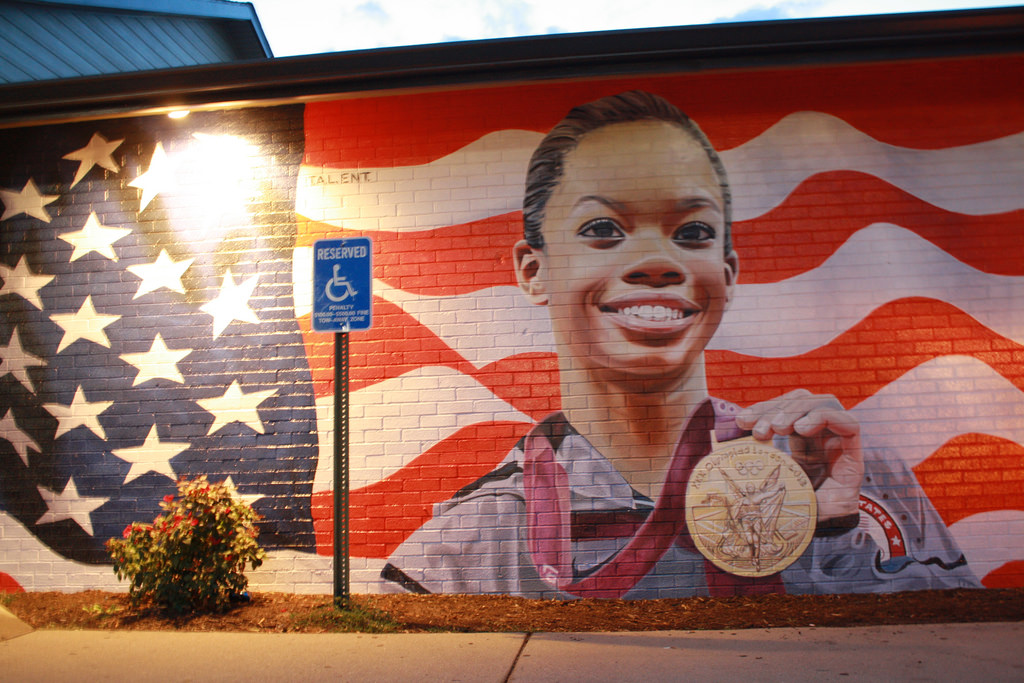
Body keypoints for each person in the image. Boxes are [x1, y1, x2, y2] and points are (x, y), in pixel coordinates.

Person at [382, 91, 979, 597]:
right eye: (602, 229)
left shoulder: (852, 475)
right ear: (533, 271)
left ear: (728, 274)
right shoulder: (469, 544)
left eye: (692, 232)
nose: (657, 260)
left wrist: (831, 538)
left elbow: (952, 650)